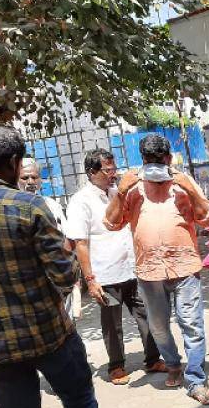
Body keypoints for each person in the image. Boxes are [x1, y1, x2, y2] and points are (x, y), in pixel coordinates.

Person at [0, 127, 127, 408]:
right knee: (80, 402)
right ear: (15, 164)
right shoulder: (29, 207)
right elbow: (65, 277)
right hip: (49, 334)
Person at [105, 134, 209, 404]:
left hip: (184, 267)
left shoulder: (183, 184)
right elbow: (111, 223)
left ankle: (195, 379)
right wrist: (121, 191)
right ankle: (173, 364)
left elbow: (208, 219)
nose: (154, 165)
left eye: (159, 160)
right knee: (158, 326)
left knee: (191, 324)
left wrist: (189, 189)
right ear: (142, 160)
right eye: (148, 160)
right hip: (149, 271)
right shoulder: (132, 189)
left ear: (168, 159)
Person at [66, 149, 166, 385]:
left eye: (114, 169)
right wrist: (90, 279)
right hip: (104, 274)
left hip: (131, 269)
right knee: (112, 324)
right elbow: (80, 243)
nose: (113, 174)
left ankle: (153, 359)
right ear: (92, 172)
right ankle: (116, 366)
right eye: (107, 170)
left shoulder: (116, 193)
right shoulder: (80, 201)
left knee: (147, 315)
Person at [17, 158, 83, 319]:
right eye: (25, 178)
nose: (30, 182)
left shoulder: (52, 205)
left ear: (40, 180)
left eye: (34, 177)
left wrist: (72, 276)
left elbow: (68, 239)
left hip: (57, 279)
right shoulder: (13, 208)